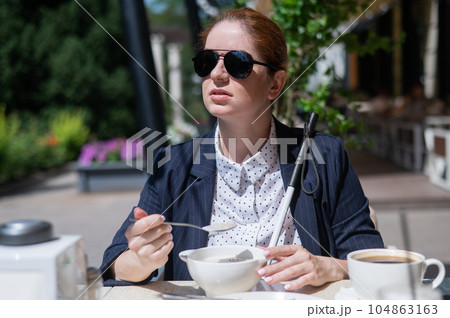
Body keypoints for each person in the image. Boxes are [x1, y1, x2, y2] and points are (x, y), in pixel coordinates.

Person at [100, 8, 383, 290]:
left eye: (237, 63)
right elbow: (113, 265)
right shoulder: (175, 164)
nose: (217, 74)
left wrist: (327, 266)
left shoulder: (323, 155)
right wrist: (141, 260)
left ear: (275, 84)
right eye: (207, 61)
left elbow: (373, 260)